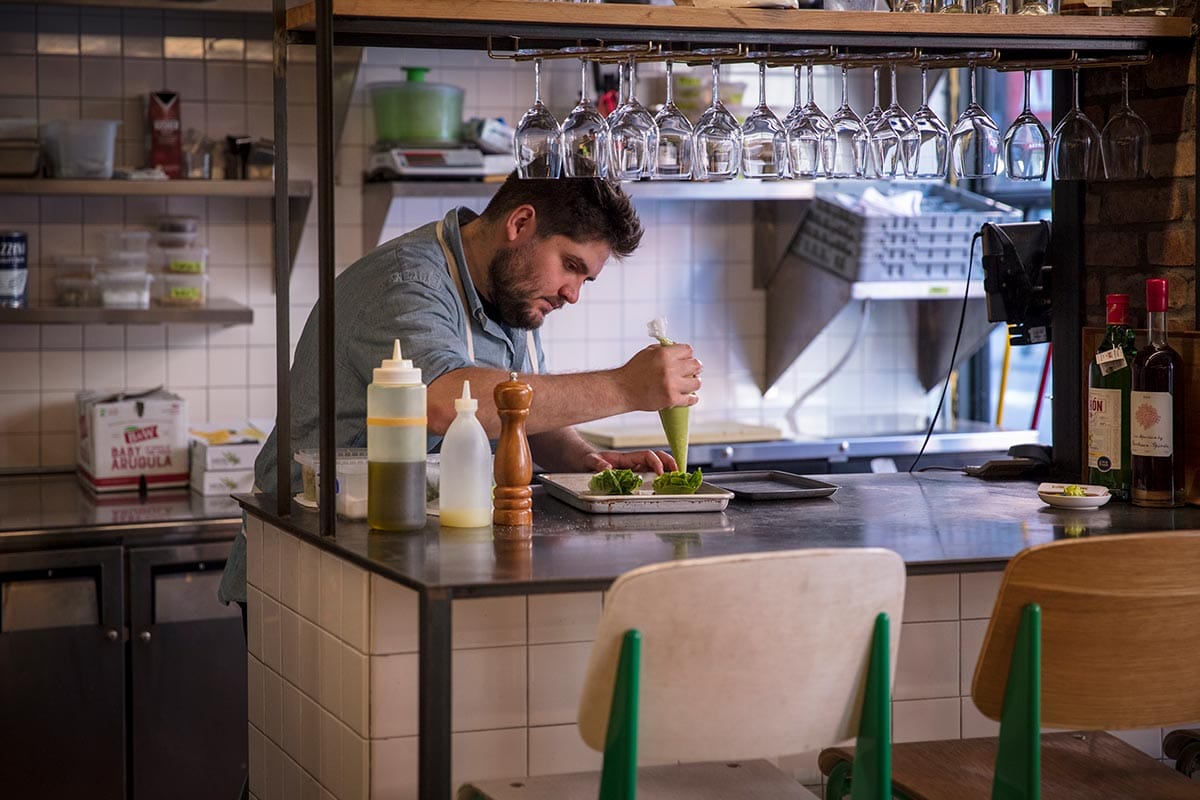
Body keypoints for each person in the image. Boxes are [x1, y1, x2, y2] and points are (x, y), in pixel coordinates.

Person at [218, 173, 702, 607]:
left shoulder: (513, 293)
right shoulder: (407, 282)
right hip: (309, 557)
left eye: (586, 280)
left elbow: (516, 411)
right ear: (520, 224)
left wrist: (588, 461)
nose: (572, 293)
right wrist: (625, 386)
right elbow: (446, 405)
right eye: (570, 266)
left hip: (404, 551)